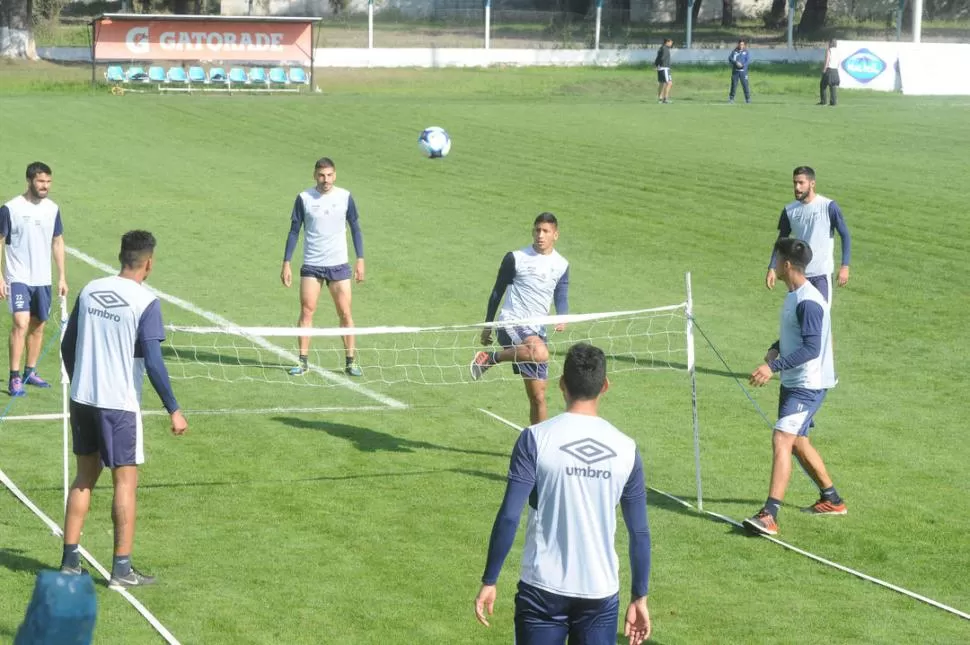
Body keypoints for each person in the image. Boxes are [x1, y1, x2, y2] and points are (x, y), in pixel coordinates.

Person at [474, 343, 651, 645]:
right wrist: (640, 596)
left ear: (561, 385)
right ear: (604, 386)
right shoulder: (627, 449)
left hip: (542, 589)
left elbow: (509, 515)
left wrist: (490, 579)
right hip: (599, 592)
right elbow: (639, 532)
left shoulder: (535, 439)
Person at [59, 230, 188, 588]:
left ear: (121, 256)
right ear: (149, 263)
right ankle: (121, 569)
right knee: (125, 482)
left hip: (83, 398)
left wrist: (81, 381)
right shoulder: (146, 302)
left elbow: (69, 346)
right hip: (119, 405)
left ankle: (70, 562)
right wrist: (173, 408)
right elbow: (154, 362)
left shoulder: (89, 290)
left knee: (84, 477)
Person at [743, 238, 846, 537]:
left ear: (787, 264)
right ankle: (832, 499)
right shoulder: (795, 294)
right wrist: (776, 348)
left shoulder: (809, 301)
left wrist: (771, 367)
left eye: (776, 259)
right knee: (798, 441)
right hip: (796, 381)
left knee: (782, 439)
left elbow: (812, 348)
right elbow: (798, 335)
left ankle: (769, 514)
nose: (774, 263)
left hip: (808, 385)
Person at [470, 213, 569, 425]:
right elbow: (497, 292)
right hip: (511, 323)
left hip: (537, 332)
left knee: (539, 397)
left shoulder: (561, 264)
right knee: (540, 352)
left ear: (556, 235)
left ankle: (537, 446)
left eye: (545, 231)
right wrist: (488, 326)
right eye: (537, 230)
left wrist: (562, 316)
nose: (540, 235)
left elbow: (561, 291)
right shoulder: (516, 258)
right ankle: (491, 358)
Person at [281, 157, 365, 377]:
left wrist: (360, 259)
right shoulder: (304, 198)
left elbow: (355, 228)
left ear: (334, 175)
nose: (325, 179)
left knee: (345, 313)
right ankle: (302, 362)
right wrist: (287, 262)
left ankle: (350, 361)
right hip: (312, 264)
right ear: (314, 175)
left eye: (329, 175)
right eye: (321, 175)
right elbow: (294, 231)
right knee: (307, 311)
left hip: (338, 265)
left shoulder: (345, 197)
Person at [0, 161, 68, 397]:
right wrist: (0, 276)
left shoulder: (52, 209)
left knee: (38, 325)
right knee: (21, 323)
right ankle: (14, 377)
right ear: (29, 181)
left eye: (48, 182)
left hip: (43, 278)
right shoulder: (11, 208)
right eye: (40, 181)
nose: (45, 186)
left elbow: (57, 242)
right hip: (17, 276)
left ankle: (30, 371)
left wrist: (62, 277)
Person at [765, 166, 851, 302]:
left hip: (821, 275)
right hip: (798, 275)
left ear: (812, 183)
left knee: (821, 317)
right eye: (795, 183)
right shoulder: (789, 211)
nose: (797, 187)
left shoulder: (828, 206)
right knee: (798, 318)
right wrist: (772, 267)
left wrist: (845, 266)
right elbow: (781, 241)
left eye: (801, 183)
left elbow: (845, 235)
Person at [728, 39, 751, 104]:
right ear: (738, 44)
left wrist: (742, 65)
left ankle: (748, 99)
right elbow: (730, 58)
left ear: (744, 45)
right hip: (735, 72)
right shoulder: (734, 51)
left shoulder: (746, 52)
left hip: (743, 72)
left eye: (742, 44)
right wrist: (736, 62)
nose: (741, 46)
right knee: (734, 85)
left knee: (745, 85)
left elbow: (748, 61)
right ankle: (731, 98)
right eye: (740, 44)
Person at [819, 39, 841, 106]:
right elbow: (839, 61)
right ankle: (833, 102)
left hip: (829, 69)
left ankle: (824, 101)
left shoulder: (829, 50)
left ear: (831, 43)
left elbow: (827, 60)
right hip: (835, 69)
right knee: (833, 85)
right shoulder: (838, 51)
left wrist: (824, 69)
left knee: (823, 85)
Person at [654, 37, 673, 104]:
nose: (671, 43)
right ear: (667, 42)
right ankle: (665, 99)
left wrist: (656, 65)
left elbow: (658, 57)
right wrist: (659, 65)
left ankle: (660, 99)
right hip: (664, 68)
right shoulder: (665, 49)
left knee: (662, 83)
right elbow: (662, 58)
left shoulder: (661, 48)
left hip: (661, 68)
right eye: (671, 42)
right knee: (669, 83)